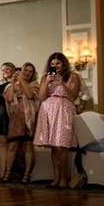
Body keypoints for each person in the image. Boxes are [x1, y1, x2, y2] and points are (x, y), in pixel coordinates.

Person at [34, 52, 81, 188]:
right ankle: (56, 179)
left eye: (58, 63)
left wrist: (62, 83)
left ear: (64, 64)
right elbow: (42, 97)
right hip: (48, 110)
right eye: (52, 64)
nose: (55, 66)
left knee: (61, 146)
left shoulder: (73, 76)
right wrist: (47, 82)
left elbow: (73, 96)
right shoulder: (45, 77)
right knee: (54, 147)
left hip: (64, 110)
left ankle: (64, 179)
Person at [4, 62, 39, 184]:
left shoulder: (35, 85)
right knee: (13, 145)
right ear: (21, 70)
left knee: (28, 146)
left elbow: (29, 95)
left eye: (30, 71)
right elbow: (9, 98)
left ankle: (27, 174)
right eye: (25, 70)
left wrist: (21, 80)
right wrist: (14, 82)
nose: (28, 73)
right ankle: (8, 172)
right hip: (16, 118)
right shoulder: (12, 84)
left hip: (29, 118)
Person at [0, 62, 16, 181]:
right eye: (3, 69)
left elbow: (11, 100)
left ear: (13, 70)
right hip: (1, 114)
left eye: (7, 69)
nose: (5, 71)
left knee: (12, 145)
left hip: (12, 115)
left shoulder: (16, 83)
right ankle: (2, 172)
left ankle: (9, 171)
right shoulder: (0, 85)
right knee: (2, 144)